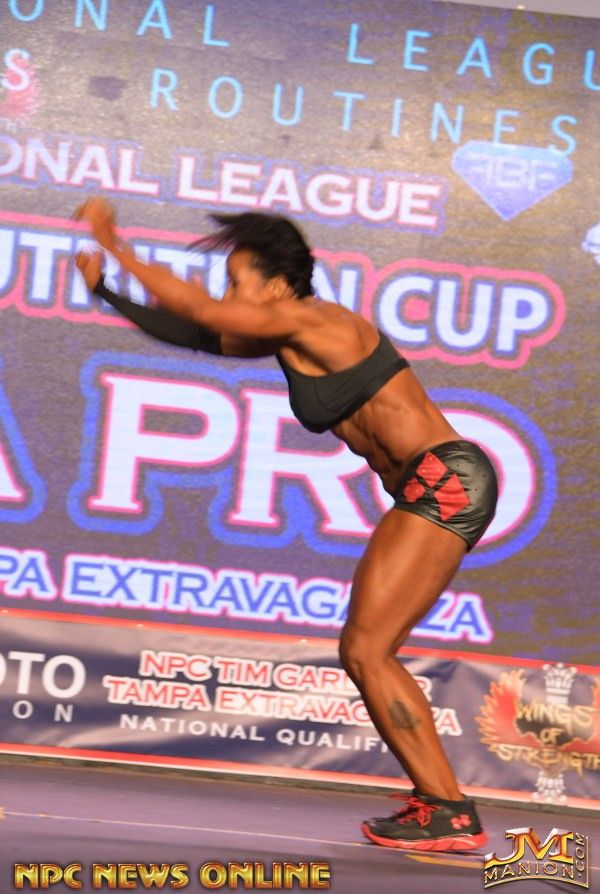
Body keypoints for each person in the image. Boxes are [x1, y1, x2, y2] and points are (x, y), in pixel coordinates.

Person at [74, 198, 498, 852]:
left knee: (366, 650)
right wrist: (108, 291)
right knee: (366, 650)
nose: (227, 294)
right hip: (438, 484)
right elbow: (196, 333)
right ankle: (442, 804)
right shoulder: (286, 335)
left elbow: (204, 312)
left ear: (276, 285)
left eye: (236, 281)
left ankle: (448, 808)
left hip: (445, 478)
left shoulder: (319, 321)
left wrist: (115, 244)